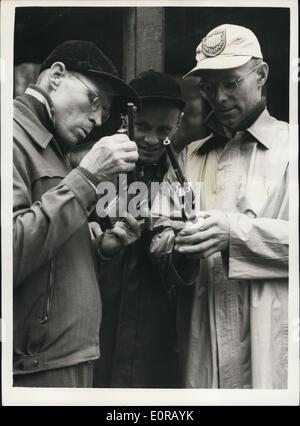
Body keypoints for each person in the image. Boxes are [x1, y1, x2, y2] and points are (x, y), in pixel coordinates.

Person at [153, 24, 289, 389]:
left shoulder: (292, 149)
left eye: (230, 82)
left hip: (273, 350)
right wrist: (180, 248)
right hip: (203, 352)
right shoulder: (187, 157)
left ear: (261, 75)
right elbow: (158, 241)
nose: (219, 97)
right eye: (209, 86)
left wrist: (233, 233)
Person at [13, 40, 142, 387]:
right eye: (95, 100)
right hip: (38, 366)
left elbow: (50, 258)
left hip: (68, 356)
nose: (99, 119)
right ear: (56, 76)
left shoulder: (52, 145)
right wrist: (87, 177)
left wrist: (101, 250)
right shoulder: (10, 135)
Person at [92, 70, 198, 388]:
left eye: (163, 129)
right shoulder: (94, 166)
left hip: (157, 336)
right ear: (126, 120)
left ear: (178, 125)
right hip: (98, 326)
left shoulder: (185, 179)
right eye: (144, 127)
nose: (152, 139)